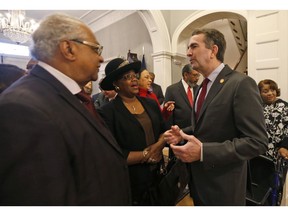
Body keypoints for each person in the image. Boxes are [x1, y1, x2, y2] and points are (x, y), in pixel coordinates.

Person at [0, 13, 131, 205]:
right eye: (96, 49)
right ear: (68, 49)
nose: (101, 57)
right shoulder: (22, 108)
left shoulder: (70, 95)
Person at [163, 28, 268, 205]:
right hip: (199, 181)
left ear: (213, 50)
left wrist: (203, 151)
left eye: (194, 46)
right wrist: (182, 133)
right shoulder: (200, 87)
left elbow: (257, 142)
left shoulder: (240, 83)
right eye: (188, 47)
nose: (188, 53)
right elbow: (206, 126)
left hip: (224, 185)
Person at [98, 58, 167, 206]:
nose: (134, 80)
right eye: (127, 77)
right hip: (132, 182)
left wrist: (159, 146)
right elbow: (113, 154)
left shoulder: (150, 104)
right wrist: (146, 155)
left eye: (134, 75)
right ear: (116, 84)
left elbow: (163, 130)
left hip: (159, 177)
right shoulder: (107, 113)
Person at [164, 64, 200, 129]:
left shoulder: (198, 88)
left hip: (196, 131)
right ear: (186, 75)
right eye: (195, 75)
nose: (197, 78)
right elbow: (168, 116)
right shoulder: (172, 90)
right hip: (179, 132)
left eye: (198, 75)